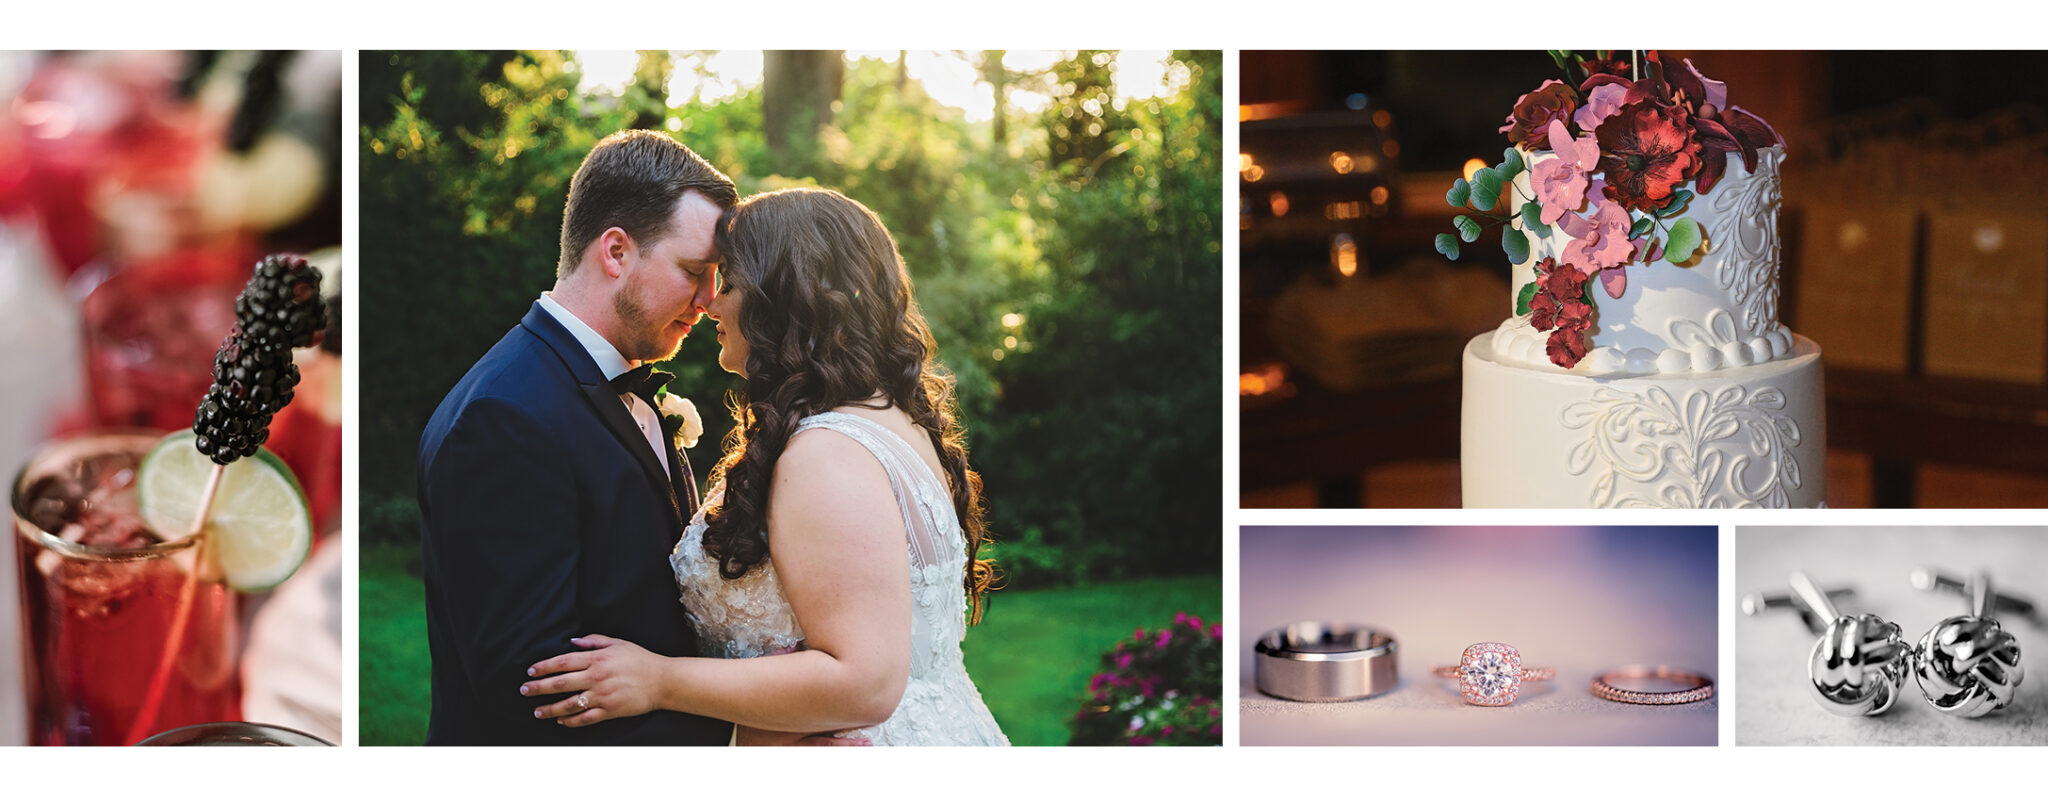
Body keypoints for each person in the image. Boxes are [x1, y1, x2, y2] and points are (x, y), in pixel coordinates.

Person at [518, 187, 1009, 746]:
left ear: (783, 297)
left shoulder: (825, 453)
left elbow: (865, 682)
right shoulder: (891, 418)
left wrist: (659, 681)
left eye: (727, 281)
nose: (709, 303)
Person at [416, 129, 735, 745]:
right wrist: (742, 741)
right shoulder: (504, 417)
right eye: (695, 271)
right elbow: (536, 691)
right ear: (615, 251)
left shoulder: (619, 384)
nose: (709, 301)